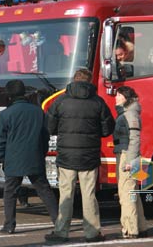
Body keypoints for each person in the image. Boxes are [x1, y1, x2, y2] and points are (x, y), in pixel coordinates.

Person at [45, 68, 115, 243]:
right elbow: (108, 129)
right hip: (89, 157)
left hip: (66, 156)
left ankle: (61, 232)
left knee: (66, 194)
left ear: (74, 80)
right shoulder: (98, 102)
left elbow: (49, 127)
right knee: (89, 194)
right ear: (89, 81)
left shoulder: (60, 101)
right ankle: (92, 233)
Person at [0, 79, 58, 234]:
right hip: (34, 156)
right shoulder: (38, 112)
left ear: (9, 95)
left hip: (13, 158)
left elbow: (1, 140)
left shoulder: (5, 114)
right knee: (44, 190)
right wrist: (41, 153)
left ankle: (9, 225)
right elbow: (45, 136)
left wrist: (1, 158)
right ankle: (58, 221)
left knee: (10, 192)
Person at [113, 86, 148, 239]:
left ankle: (130, 228)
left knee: (126, 193)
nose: (116, 97)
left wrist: (130, 161)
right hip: (129, 154)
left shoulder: (129, 114)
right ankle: (140, 226)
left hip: (127, 155)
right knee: (132, 192)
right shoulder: (129, 113)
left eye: (118, 95)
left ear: (125, 98)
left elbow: (134, 138)